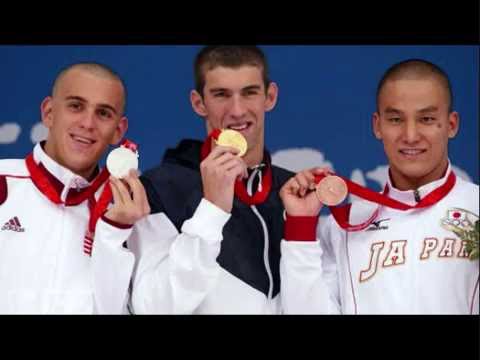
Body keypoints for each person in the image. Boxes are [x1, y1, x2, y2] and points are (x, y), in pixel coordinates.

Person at [279, 59, 479, 314]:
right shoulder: (344, 227)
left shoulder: (476, 207)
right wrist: (301, 226)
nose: (410, 135)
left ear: (451, 125)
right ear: (377, 125)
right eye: (396, 119)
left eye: (426, 119)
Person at [127, 45, 294, 314]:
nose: (237, 110)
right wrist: (212, 210)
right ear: (198, 103)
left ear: (270, 97)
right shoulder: (161, 188)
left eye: (250, 92)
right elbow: (152, 307)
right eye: (221, 95)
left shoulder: (292, 192)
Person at [0, 62, 149, 314]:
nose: (88, 123)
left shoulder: (131, 210)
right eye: (76, 106)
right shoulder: (5, 180)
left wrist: (116, 231)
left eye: (103, 113)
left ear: (119, 131)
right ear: (49, 112)